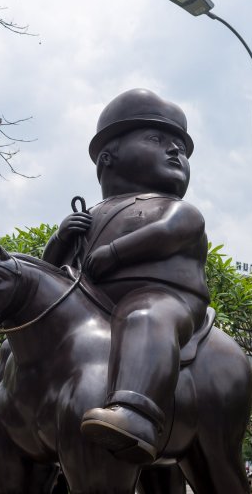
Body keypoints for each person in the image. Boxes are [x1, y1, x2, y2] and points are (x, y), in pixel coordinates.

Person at [41, 88, 209, 465]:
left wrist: (114, 253)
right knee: (25, 336)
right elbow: (50, 276)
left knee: (144, 315)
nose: (174, 151)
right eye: (157, 139)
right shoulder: (90, 215)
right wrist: (61, 238)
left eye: (179, 146)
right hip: (91, 307)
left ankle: (138, 415)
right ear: (107, 157)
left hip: (167, 300)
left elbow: (170, 233)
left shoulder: (174, 209)